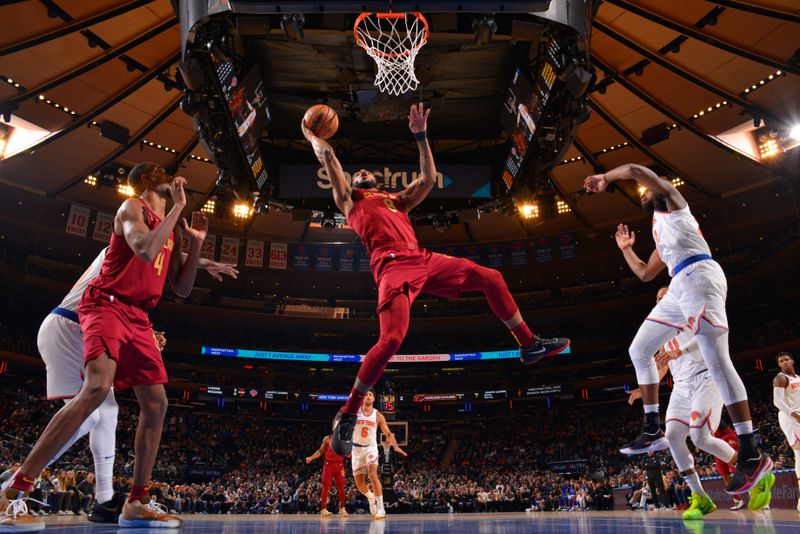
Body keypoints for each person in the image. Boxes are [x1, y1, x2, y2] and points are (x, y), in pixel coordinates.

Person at [302, 103, 570, 457]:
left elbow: (428, 178)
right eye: (359, 171)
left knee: (491, 277)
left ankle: (529, 344)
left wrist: (421, 136)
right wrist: (310, 134)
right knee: (392, 339)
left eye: (368, 171)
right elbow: (330, 157)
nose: (364, 170)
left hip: (422, 259)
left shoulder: (396, 200)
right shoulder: (349, 200)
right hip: (391, 266)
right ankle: (348, 412)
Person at [1, 163, 208, 530]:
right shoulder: (131, 208)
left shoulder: (170, 227)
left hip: (139, 315)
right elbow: (144, 250)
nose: (170, 172)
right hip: (107, 303)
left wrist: (197, 245)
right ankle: (13, 492)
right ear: (146, 180)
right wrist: (177, 207)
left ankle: (137, 500)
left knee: (157, 404)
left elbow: (183, 287)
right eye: (161, 170)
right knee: (96, 388)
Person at [1, 245, 236, 524]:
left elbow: (146, 282)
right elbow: (160, 256)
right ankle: (12, 486)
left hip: (91, 328)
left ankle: (104, 500)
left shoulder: (141, 268)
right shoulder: (129, 245)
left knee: (109, 413)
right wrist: (200, 258)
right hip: (69, 327)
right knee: (89, 416)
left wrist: (146, 333)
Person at [585, 164, 770, 495]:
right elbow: (644, 274)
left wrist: (606, 178)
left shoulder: (673, 202)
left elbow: (634, 169)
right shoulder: (659, 230)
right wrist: (627, 250)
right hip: (678, 287)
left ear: (657, 187)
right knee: (639, 350)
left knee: (717, 361)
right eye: (641, 191)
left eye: (645, 188)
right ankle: (652, 426)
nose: (643, 191)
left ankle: (751, 450)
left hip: (699, 275)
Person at [350, 389, 406, 520]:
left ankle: (381, 508)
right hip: (356, 450)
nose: (368, 396)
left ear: (374, 399)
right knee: (360, 485)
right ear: (362, 398)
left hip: (371, 448)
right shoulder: (355, 412)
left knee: (372, 473)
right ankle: (370, 497)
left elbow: (387, 433)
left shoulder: (378, 415)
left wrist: (396, 446)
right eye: (366, 395)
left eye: (371, 395)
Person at [773, 351, 800, 512]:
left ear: (792, 361)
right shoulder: (781, 378)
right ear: (779, 365)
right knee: (799, 452)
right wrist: (794, 414)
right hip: (790, 417)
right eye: (781, 361)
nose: (784, 362)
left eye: (787, 360)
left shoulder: (798, 377)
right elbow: (778, 401)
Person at [306, 435, 349, 517]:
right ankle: (323, 509)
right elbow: (320, 451)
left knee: (342, 487)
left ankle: (342, 508)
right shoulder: (327, 439)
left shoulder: (345, 439)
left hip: (339, 465)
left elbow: (349, 453)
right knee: (326, 486)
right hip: (329, 464)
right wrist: (311, 458)